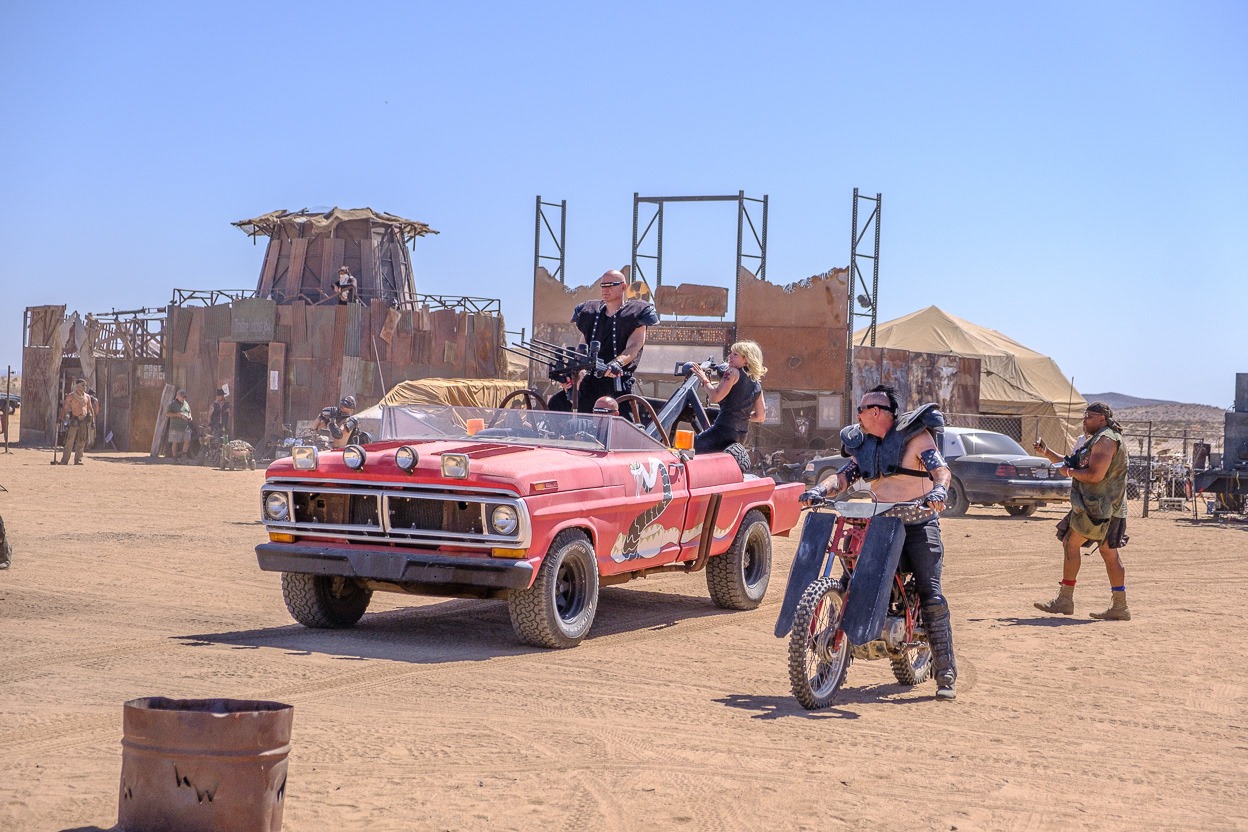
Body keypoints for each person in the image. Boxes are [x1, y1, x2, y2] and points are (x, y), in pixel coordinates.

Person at [798, 385, 959, 701]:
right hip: (878, 523)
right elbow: (843, 477)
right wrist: (819, 490)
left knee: (931, 592)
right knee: (848, 583)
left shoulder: (916, 437)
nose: (856, 415)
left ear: (876, 411)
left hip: (917, 522)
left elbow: (941, 470)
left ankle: (946, 673)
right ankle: (829, 667)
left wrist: (939, 490)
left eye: (860, 409)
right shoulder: (864, 444)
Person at [1032, 402, 1131, 621]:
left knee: (1071, 542)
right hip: (1106, 507)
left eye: (1089, 416)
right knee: (1109, 553)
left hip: (1099, 508)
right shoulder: (1097, 440)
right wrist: (1047, 452)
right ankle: (1120, 606)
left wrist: (1069, 472)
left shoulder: (1106, 440)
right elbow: (1071, 463)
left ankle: (1065, 600)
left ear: (1102, 418)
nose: (1084, 420)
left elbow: (1095, 475)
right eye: (1084, 415)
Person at [570, 270, 659, 413]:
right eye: (603, 286)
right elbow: (582, 347)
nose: (605, 289)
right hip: (591, 383)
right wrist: (574, 369)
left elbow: (634, 346)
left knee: (624, 424)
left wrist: (617, 363)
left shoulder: (636, 312)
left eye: (610, 285)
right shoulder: (589, 313)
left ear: (623, 287)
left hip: (619, 383)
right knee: (582, 422)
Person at [689, 341, 766, 454]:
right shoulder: (757, 384)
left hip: (722, 431)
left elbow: (716, 396)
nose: (730, 356)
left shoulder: (732, 372)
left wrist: (703, 378)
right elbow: (760, 417)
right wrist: (739, 416)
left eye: (735, 354)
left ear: (746, 359)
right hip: (740, 436)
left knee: (686, 449)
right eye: (731, 353)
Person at [58, 379, 92, 465]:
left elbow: (90, 409)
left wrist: (93, 422)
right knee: (70, 440)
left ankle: (78, 460)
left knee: (82, 441)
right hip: (74, 420)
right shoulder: (71, 396)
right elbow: (64, 407)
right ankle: (64, 460)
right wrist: (60, 418)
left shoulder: (87, 397)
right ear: (77, 386)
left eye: (85, 385)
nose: (84, 387)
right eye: (82, 385)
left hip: (83, 420)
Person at [166, 390, 193, 462]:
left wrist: (190, 417)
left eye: (184, 397)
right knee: (175, 442)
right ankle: (174, 458)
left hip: (185, 427)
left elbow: (189, 412)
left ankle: (184, 455)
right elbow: (168, 414)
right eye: (182, 397)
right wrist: (176, 415)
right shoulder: (172, 404)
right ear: (177, 396)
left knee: (187, 440)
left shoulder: (186, 404)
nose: (183, 398)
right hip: (176, 427)